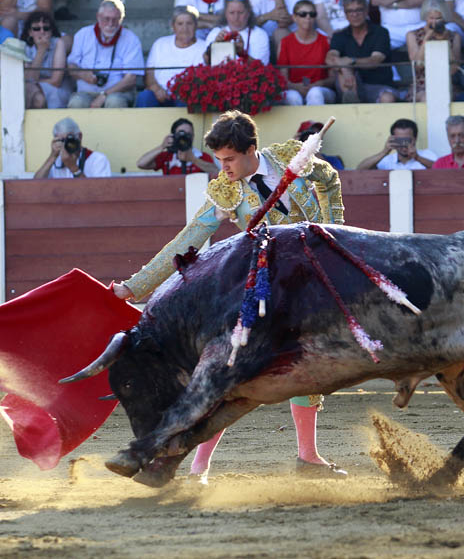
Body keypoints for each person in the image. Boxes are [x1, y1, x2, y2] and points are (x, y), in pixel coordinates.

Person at [110, 110, 347, 482]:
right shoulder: (226, 190)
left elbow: (329, 180)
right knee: (231, 375)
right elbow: (187, 240)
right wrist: (135, 287)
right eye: (219, 160)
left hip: (314, 279)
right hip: (269, 288)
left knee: (309, 364)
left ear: (252, 149)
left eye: (230, 159)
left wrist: (333, 231)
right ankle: (198, 466)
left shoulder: (289, 156)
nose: (224, 168)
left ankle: (308, 456)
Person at [66, 0, 142, 108]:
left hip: (118, 92)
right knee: (77, 102)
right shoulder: (83, 34)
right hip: (86, 92)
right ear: (98, 17)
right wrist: (83, 74)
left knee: (114, 101)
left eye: (115, 19)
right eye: (106, 19)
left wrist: (104, 95)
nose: (110, 24)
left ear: (121, 19)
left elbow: (130, 80)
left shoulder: (131, 39)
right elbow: (71, 66)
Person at [326, 0, 398, 102]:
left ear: (366, 11)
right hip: (350, 84)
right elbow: (330, 59)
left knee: (387, 98)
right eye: (350, 11)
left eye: (358, 10)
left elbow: (375, 60)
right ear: (345, 14)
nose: (354, 14)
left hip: (378, 85)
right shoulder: (339, 35)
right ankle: (351, 104)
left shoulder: (380, 32)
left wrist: (351, 61)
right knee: (343, 71)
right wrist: (344, 68)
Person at [138, 6, 206, 108]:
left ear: (196, 25)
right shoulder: (160, 44)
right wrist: (156, 88)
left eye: (189, 23)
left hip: (187, 96)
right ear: (173, 26)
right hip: (160, 94)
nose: (185, 28)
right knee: (145, 97)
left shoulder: (204, 47)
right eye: (180, 24)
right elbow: (149, 72)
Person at [278, 0, 336, 105]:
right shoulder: (286, 43)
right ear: (294, 17)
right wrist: (296, 87)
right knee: (292, 97)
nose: (308, 17)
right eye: (303, 14)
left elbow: (333, 78)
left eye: (312, 14)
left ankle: (316, 122)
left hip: (321, 90)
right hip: (294, 89)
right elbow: (283, 78)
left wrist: (319, 83)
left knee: (315, 93)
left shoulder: (326, 41)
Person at [405, 0, 460, 101]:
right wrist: (426, 39)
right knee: (428, 98)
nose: (434, 22)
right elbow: (417, 66)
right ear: (425, 17)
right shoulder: (412, 35)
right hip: (421, 86)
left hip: (446, 83)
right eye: (431, 18)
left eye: (438, 18)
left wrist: (445, 42)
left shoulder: (454, 36)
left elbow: (454, 69)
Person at [33, 117, 112, 179]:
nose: (65, 144)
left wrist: (73, 168)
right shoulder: (56, 161)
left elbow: (100, 193)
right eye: (62, 140)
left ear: (80, 136)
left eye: (69, 139)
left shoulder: (97, 160)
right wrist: (52, 157)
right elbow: (35, 187)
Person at [135, 117, 219, 176]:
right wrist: (162, 146)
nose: (184, 137)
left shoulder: (201, 156)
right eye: (181, 133)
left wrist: (193, 159)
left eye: (188, 134)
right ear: (173, 135)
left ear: (193, 136)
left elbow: (216, 172)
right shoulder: (167, 156)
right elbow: (141, 164)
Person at [20, 9, 69, 108]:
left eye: (46, 28)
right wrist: (41, 51)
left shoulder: (58, 43)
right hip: (34, 89)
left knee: (35, 94)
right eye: (36, 29)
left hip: (57, 90)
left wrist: (35, 83)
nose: (42, 32)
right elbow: (29, 79)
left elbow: (56, 81)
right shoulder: (25, 48)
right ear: (30, 32)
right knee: (34, 95)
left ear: (51, 31)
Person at [205, 0, 271, 64]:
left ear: (248, 13)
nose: (236, 17)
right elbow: (206, 63)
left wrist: (242, 53)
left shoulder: (260, 35)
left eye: (240, 12)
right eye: (232, 12)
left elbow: (262, 68)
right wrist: (215, 46)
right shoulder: (215, 33)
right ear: (225, 14)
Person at [356, 117, 438, 169]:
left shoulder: (427, 155)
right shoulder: (387, 160)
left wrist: (417, 157)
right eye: (399, 141)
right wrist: (384, 152)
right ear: (392, 139)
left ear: (415, 139)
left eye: (407, 140)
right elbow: (360, 169)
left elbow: (440, 170)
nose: (403, 145)